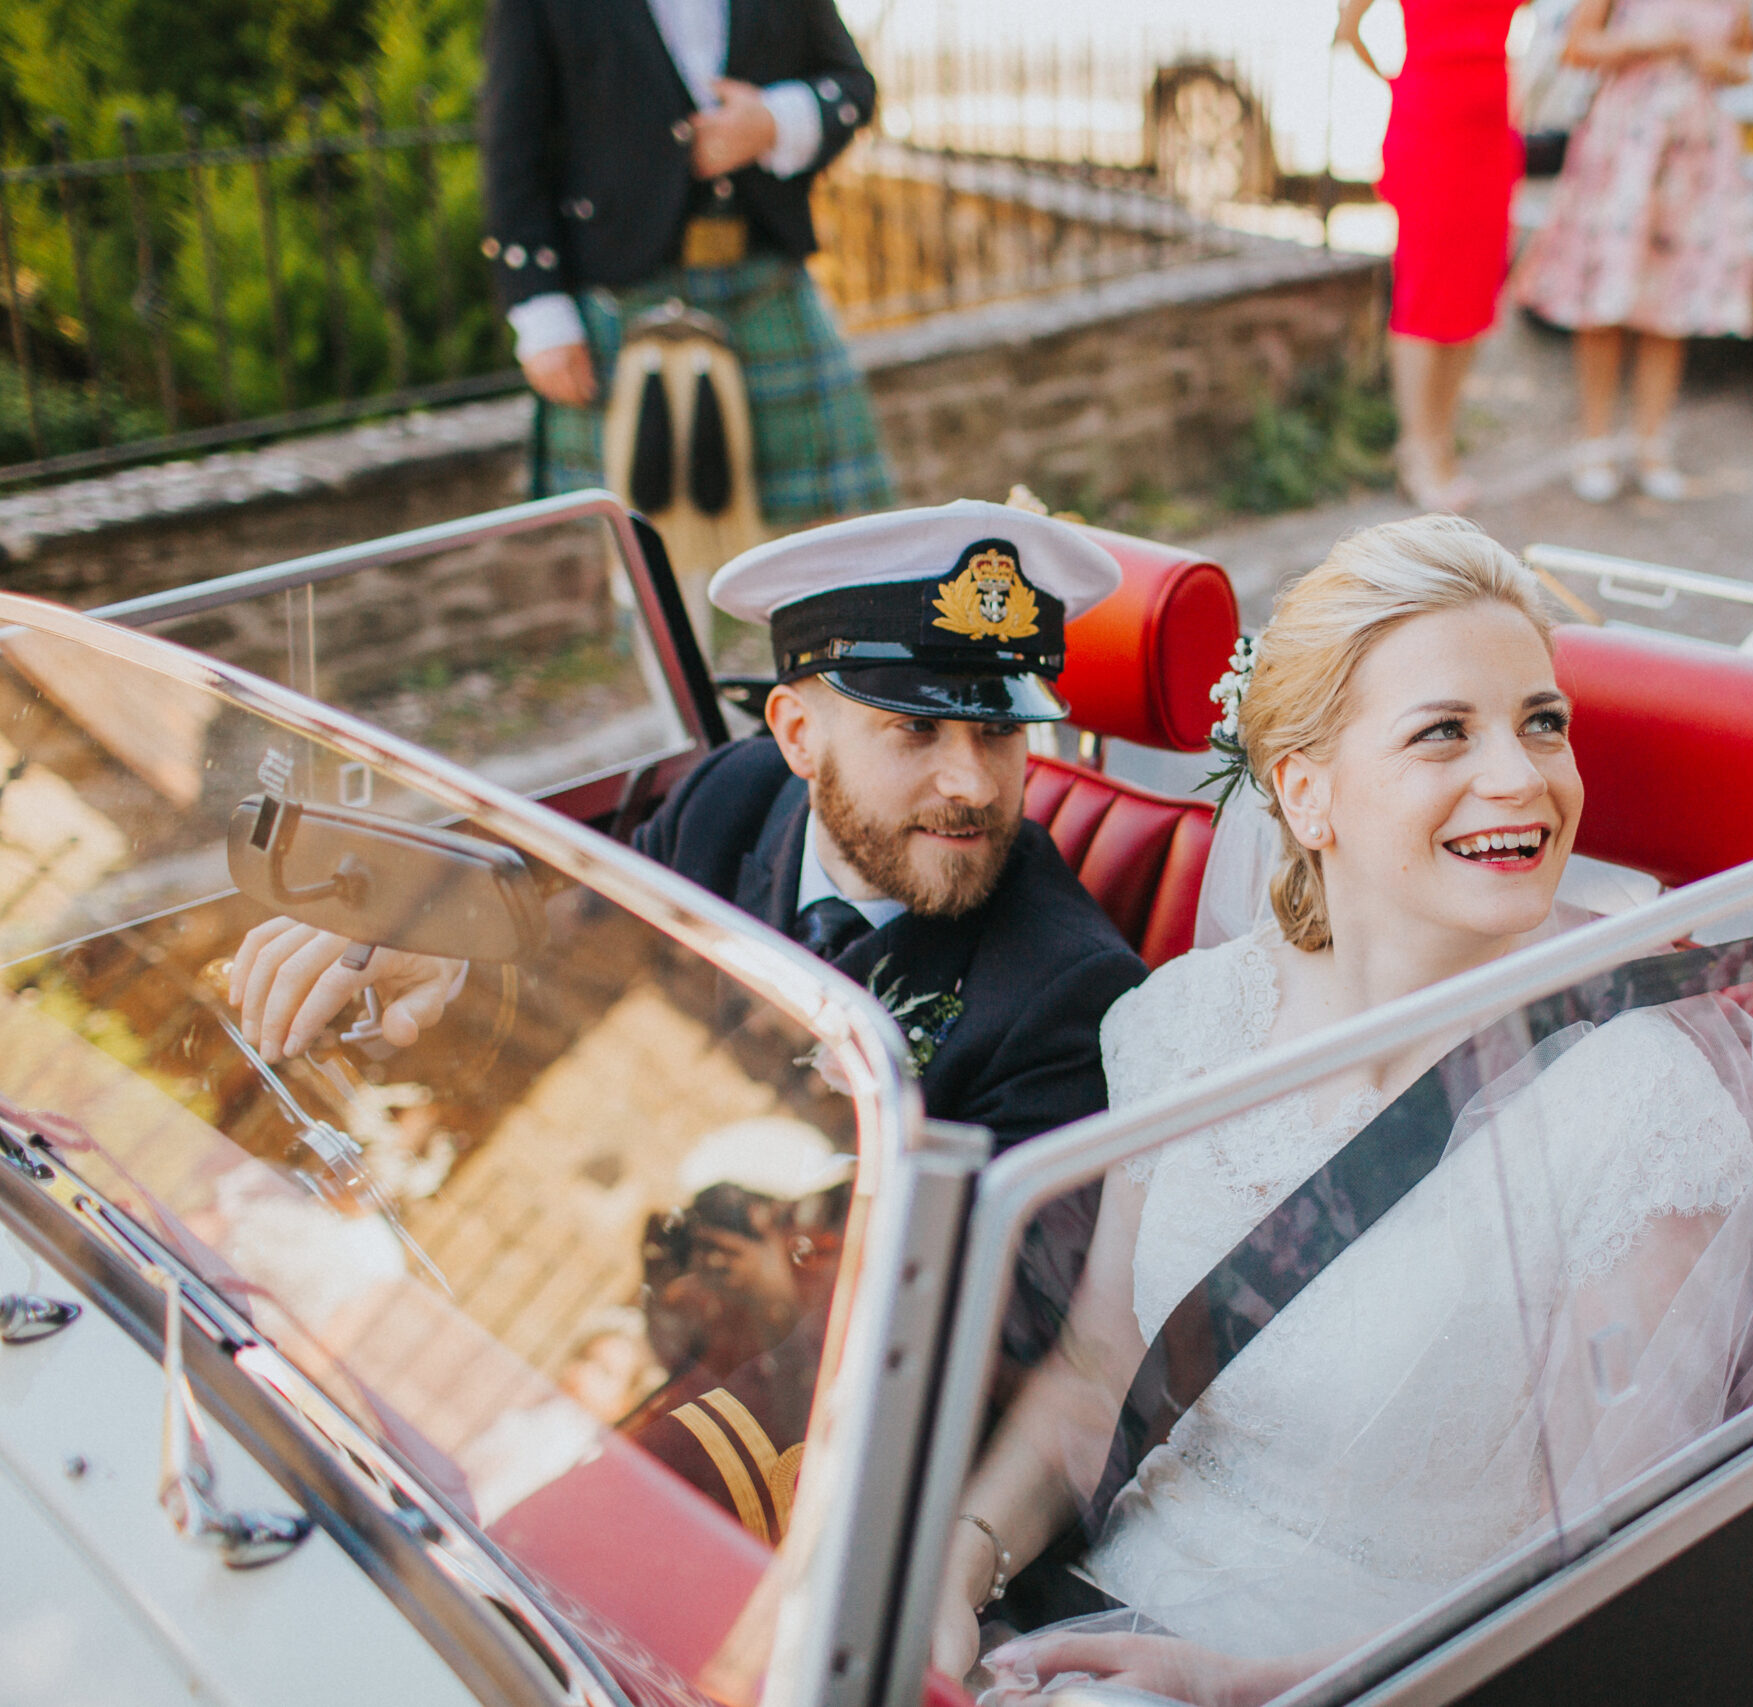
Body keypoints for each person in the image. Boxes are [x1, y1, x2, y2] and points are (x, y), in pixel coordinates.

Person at [929, 517, 1753, 1703]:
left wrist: (1244, 1683)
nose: (1522, 777)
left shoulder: (1639, 1112)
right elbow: (1095, 1372)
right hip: (1092, 1611)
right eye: (1444, 731)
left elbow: (1597, 1588)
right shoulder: (1187, 1022)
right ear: (1305, 792)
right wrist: (963, 1555)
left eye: (1542, 724)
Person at [229, 502, 1150, 1370]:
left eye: (999, 732)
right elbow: (582, 953)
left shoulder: (1072, 993)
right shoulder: (731, 798)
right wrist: (450, 955)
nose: (975, 785)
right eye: (917, 729)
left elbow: (987, 1331)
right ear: (795, 734)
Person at [480, 0, 896, 531]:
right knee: (643, 540)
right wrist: (539, 310)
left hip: (766, 281)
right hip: (621, 292)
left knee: (835, 528)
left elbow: (853, 86)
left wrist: (771, 122)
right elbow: (512, 145)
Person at [1513, 0, 1753, 503]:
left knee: (1670, 302)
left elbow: (1744, 65)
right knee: (1606, 296)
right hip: (1625, 144)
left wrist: (1710, 59)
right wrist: (1647, 44)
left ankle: (1652, 448)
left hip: (1695, 154)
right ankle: (1594, 443)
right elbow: (1577, 47)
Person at [1338, 0, 1531, 512]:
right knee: (1424, 288)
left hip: (1490, 130)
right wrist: (1394, 80)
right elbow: (1348, 24)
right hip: (1430, 122)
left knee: (1474, 286)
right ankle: (1417, 448)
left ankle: (1441, 439)